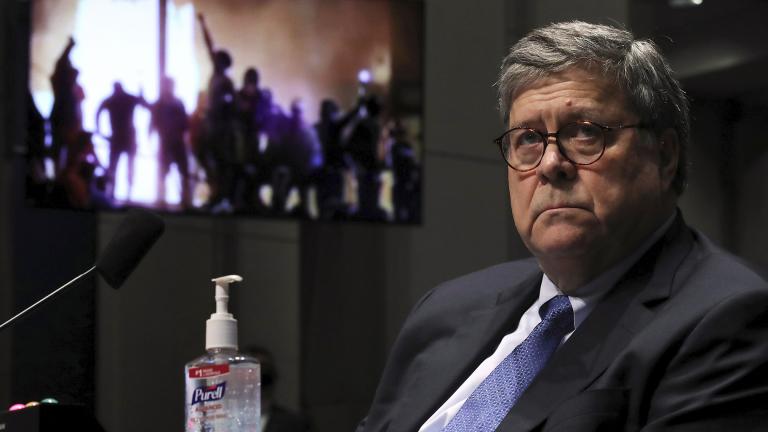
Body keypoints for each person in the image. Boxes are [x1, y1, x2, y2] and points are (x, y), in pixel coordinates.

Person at [358, 21, 768, 432]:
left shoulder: (729, 319)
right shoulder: (446, 307)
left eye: (586, 133)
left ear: (663, 156)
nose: (551, 164)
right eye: (529, 139)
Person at [95, 81, 148, 200]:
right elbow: (145, 104)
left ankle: (120, 194)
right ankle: (119, 194)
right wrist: (99, 131)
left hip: (121, 139)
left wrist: (99, 131)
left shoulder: (112, 100)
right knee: (119, 167)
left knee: (118, 167)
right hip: (124, 138)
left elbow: (98, 113)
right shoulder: (125, 99)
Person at [151, 77, 190, 209]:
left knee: (183, 172)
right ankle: (162, 199)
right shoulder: (159, 104)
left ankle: (185, 201)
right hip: (166, 143)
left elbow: (185, 124)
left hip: (177, 143)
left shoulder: (178, 103)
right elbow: (154, 123)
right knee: (163, 172)